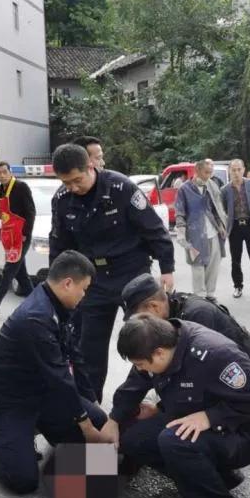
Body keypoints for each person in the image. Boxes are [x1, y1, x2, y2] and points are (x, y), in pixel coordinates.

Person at [103, 315, 250, 498]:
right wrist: (114, 419)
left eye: (140, 364)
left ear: (159, 353)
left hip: (241, 434)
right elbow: (135, 385)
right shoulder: (157, 344)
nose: (139, 369)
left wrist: (211, 417)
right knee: (134, 438)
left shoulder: (214, 354)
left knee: (173, 441)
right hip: (191, 422)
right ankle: (213, 477)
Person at [0, 251, 111, 493]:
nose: (84, 296)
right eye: (84, 289)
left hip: (43, 394)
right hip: (10, 403)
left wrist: (93, 403)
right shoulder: (36, 317)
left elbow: (76, 358)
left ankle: (29, 432)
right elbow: (60, 378)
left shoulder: (60, 305)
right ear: (67, 283)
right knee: (22, 481)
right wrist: (85, 425)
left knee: (99, 422)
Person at [49, 143, 175, 400]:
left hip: (132, 272)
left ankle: (162, 399)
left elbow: (154, 229)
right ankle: (91, 407)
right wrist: (58, 284)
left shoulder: (121, 188)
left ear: (90, 166)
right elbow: (60, 246)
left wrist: (167, 268)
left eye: (77, 180)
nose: (73, 187)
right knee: (89, 349)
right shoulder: (62, 200)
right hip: (93, 281)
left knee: (149, 338)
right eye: (66, 182)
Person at [120, 273, 250, 375]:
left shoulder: (197, 315)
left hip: (243, 382)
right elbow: (142, 365)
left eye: (140, 316)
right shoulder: (168, 311)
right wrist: (117, 416)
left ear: (154, 307)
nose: (141, 322)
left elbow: (198, 375)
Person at [0, 162, 36, 315]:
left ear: (10, 172)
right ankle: (37, 303)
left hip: (21, 236)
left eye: (5, 172)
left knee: (9, 269)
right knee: (21, 274)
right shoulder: (0, 189)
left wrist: (26, 233)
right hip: (9, 235)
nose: (2, 175)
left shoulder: (21, 187)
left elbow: (31, 212)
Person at [174, 158, 227, 298]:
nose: (208, 176)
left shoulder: (212, 185)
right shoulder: (184, 189)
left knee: (213, 266)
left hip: (213, 232)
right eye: (206, 172)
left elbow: (216, 208)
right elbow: (180, 212)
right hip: (195, 234)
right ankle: (200, 297)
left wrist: (220, 225)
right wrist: (181, 232)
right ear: (197, 170)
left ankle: (210, 295)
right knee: (197, 266)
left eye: (210, 173)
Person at [222, 158, 250, 299]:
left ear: (244, 169)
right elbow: (223, 210)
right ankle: (238, 286)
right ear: (230, 171)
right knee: (235, 259)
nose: (236, 172)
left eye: (239, 169)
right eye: (233, 170)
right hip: (234, 227)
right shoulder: (225, 190)